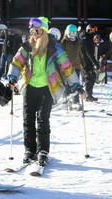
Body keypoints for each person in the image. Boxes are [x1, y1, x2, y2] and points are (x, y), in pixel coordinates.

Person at [7, 17, 84, 166]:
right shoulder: (27, 46)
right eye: (31, 31)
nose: (33, 34)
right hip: (29, 88)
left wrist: (76, 84)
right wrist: (12, 78)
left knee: (43, 121)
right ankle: (29, 150)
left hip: (47, 89)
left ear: (43, 31)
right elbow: (16, 63)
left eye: (36, 31)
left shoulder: (54, 47)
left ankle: (43, 151)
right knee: (27, 120)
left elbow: (66, 66)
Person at [61, 24, 83, 110]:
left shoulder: (78, 42)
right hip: (66, 67)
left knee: (76, 85)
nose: (71, 34)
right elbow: (60, 55)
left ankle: (76, 102)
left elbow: (80, 54)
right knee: (66, 85)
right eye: (70, 33)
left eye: (73, 33)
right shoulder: (64, 42)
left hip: (76, 66)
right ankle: (66, 101)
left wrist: (83, 64)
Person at [80, 24, 100, 102]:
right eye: (91, 29)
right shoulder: (85, 38)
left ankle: (89, 94)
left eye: (94, 30)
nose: (93, 31)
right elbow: (88, 52)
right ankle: (88, 95)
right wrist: (95, 62)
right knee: (89, 77)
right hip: (85, 61)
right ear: (88, 30)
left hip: (88, 61)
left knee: (92, 77)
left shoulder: (89, 38)